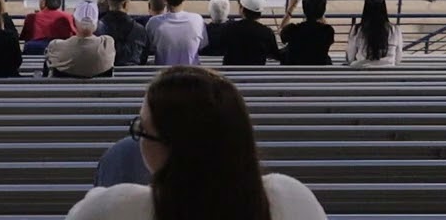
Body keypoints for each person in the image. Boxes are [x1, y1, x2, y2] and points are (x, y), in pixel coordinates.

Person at [65, 67, 327, 220]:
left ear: (173, 149)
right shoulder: (294, 198)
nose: (137, 137)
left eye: (143, 129)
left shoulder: (113, 209)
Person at [144, 0, 208, 65]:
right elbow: (202, 45)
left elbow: (150, 47)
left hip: (164, 74)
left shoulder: (153, 22)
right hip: (191, 73)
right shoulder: (197, 20)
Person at [47, 0, 115, 78]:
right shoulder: (107, 44)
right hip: (101, 90)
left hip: (62, 89)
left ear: (73, 21)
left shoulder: (56, 46)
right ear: (96, 23)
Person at [219, 0, 280, 66]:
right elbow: (275, 54)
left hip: (230, 74)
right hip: (256, 75)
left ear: (242, 9)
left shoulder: (229, 27)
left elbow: (219, 47)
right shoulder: (267, 32)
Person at [346, 0, 402, 67]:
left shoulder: (357, 29)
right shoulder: (394, 29)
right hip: (387, 72)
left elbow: (350, 57)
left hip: (361, 72)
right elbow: (398, 58)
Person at [279, 0, 334, 65]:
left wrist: (292, 7)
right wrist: (319, 11)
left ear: (304, 9)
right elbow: (324, 24)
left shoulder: (293, 30)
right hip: (318, 73)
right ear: (323, 10)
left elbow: (281, 31)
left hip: (293, 72)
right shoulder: (328, 31)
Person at [98, 0, 146, 66]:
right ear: (126, 3)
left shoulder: (98, 27)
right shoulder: (139, 29)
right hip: (133, 76)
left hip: (105, 76)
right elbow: (143, 58)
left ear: (108, 2)